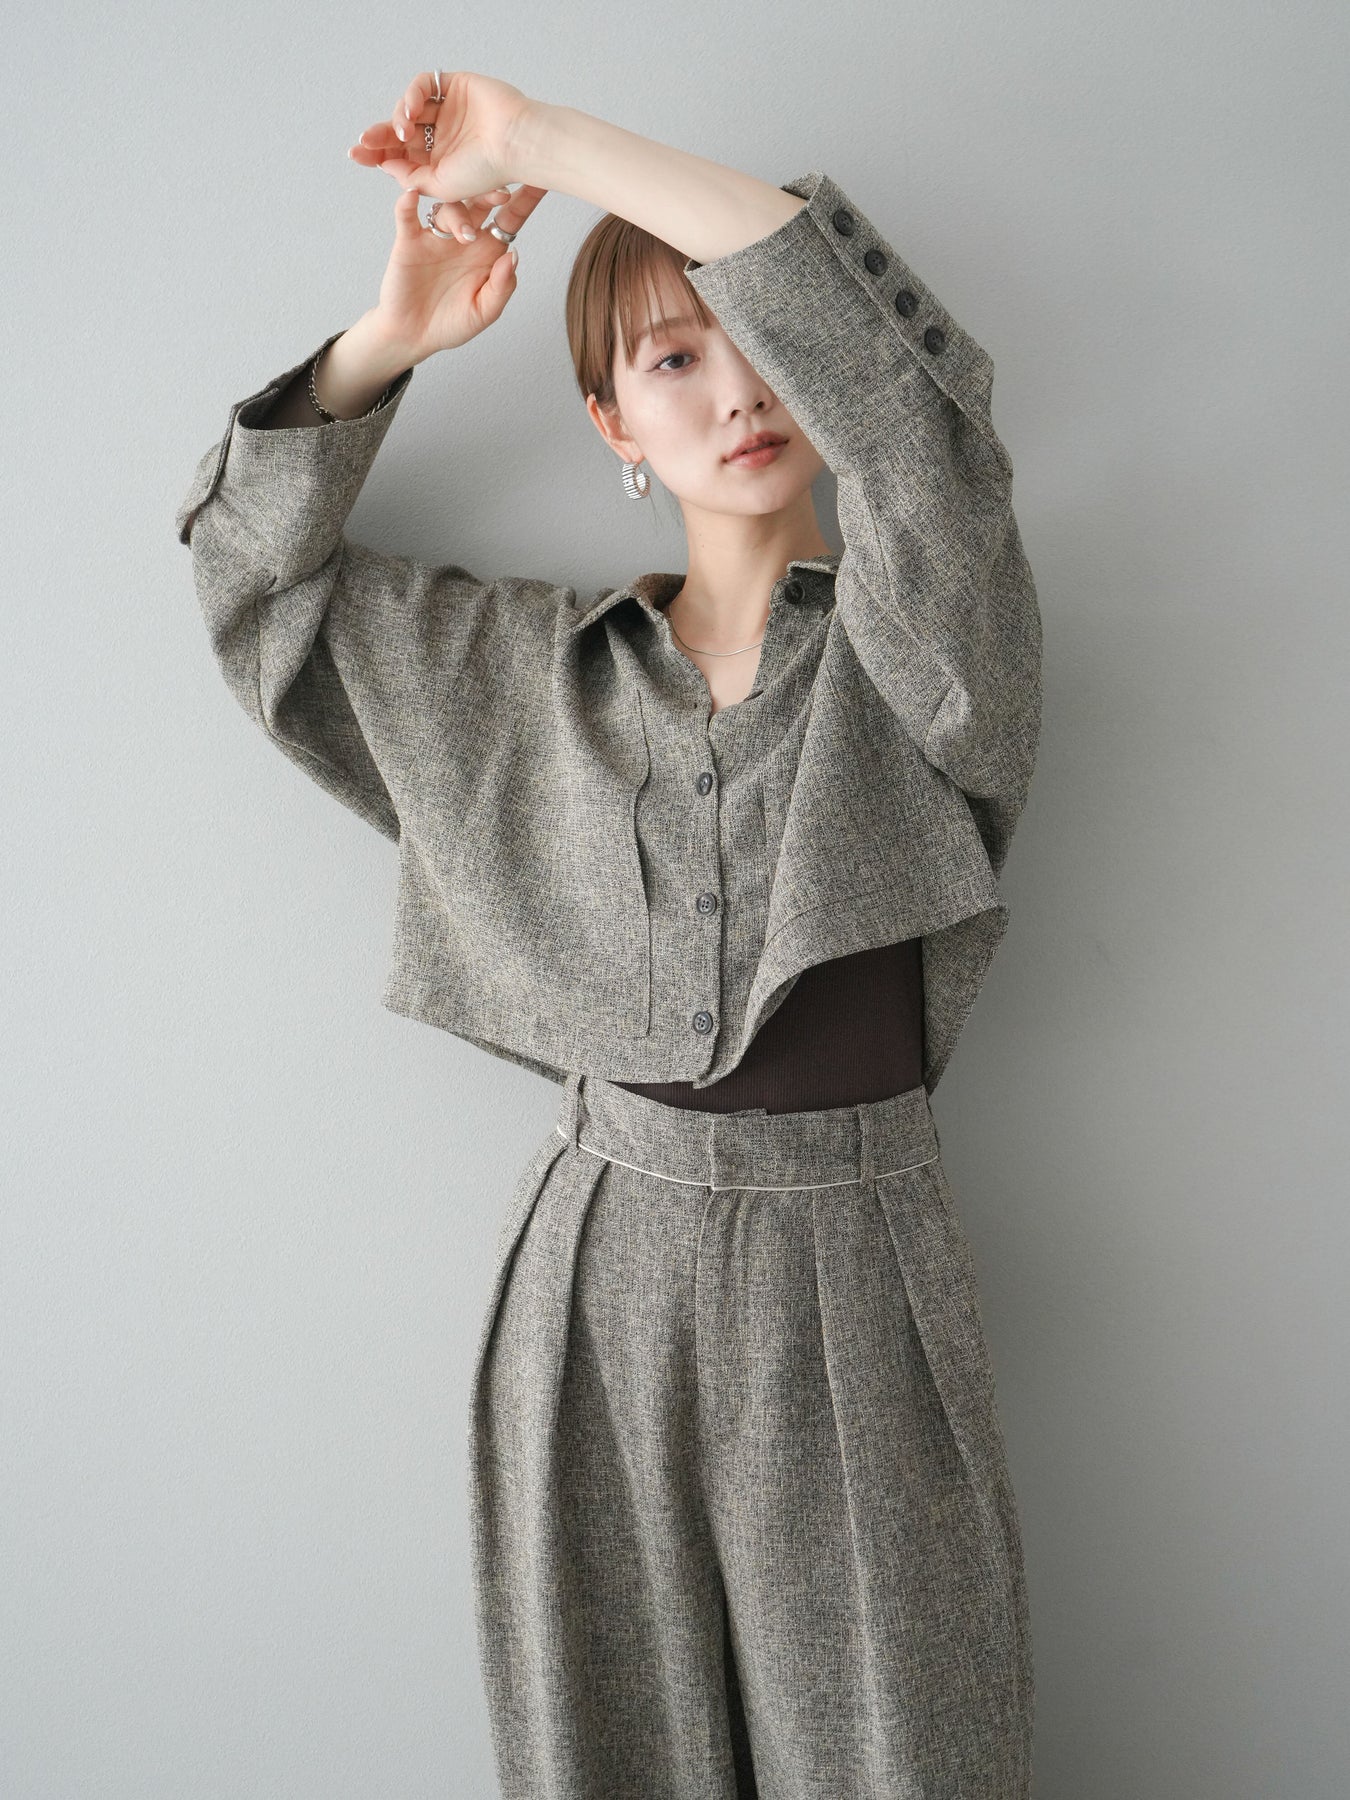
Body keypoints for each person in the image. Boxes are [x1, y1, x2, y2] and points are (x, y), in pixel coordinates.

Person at [175, 67, 1043, 1800]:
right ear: (610, 424)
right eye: (670, 359)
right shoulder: (514, 679)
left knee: (906, 1754)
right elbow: (248, 585)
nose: (737, 391)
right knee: (609, 1757)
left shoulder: (925, 657)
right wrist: (391, 338)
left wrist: (550, 150)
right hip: (594, 1268)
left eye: (759, 341)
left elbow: (921, 427)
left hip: (854, 1259)